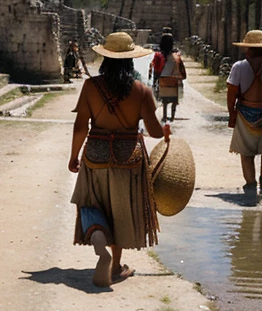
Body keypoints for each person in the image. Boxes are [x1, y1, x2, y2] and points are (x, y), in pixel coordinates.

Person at [68, 31, 170, 287]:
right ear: (129, 61)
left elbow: (81, 126)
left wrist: (74, 156)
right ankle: (115, 265)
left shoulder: (91, 87)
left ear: (105, 58)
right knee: (120, 213)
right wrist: (166, 131)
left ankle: (101, 251)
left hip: (95, 156)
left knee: (94, 208)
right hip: (129, 159)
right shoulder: (141, 90)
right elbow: (155, 131)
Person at [226, 30, 262, 199]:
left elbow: (231, 94)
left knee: (246, 152)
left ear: (247, 50)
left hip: (245, 116)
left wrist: (232, 115)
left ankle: (251, 183)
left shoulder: (238, 68)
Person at [151, 33, 186, 122]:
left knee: (165, 101)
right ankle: (172, 116)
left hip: (163, 81)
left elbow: (155, 70)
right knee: (174, 100)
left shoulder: (158, 56)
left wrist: (155, 81)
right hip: (173, 80)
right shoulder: (176, 56)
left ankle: (164, 115)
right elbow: (181, 68)